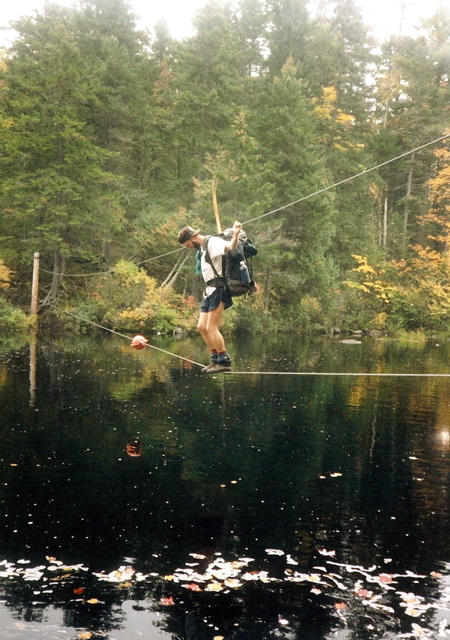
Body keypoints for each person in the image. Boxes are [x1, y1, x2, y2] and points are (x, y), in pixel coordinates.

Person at [178, 221, 242, 373]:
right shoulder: (202, 249)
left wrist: (236, 233)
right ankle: (215, 359)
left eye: (187, 244)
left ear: (192, 238)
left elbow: (231, 246)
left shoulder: (212, 241)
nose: (188, 247)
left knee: (211, 327)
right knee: (201, 327)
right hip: (209, 290)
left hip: (219, 289)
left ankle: (224, 361)